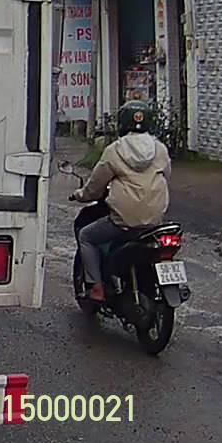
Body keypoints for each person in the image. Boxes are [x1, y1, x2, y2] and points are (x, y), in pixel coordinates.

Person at [71, 101, 172, 302]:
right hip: (154, 221)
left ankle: (97, 288)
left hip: (124, 221)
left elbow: (95, 185)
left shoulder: (114, 150)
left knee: (86, 237)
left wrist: (81, 195)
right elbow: (166, 175)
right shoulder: (160, 149)